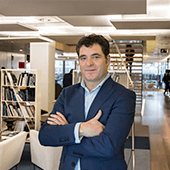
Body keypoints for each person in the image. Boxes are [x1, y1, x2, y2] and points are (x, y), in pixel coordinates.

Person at [39, 34, 136, 170]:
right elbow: (45, 136)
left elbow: (108, 147)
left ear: (107, 60)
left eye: (95, 57)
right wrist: (80, 129)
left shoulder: (124, 96)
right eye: (83, 58)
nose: (89, 63)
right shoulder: (67, 93)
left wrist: (68, 132)